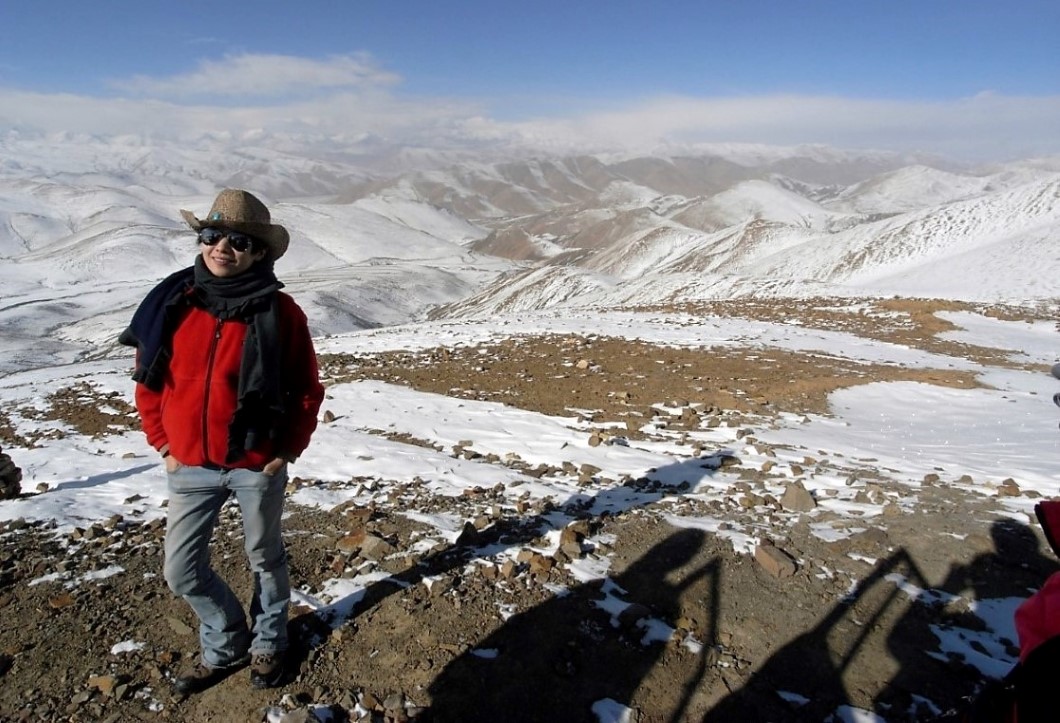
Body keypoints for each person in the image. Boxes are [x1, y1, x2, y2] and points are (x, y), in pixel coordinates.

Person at [119, 189, 324, 693]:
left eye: (238, 240)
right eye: (211, 236)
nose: (221, 248)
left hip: (256, 462)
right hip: (189, 464)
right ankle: (228, 639)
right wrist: (164, 444)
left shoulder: (281, 312)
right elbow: (148, 380)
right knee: (181, 571)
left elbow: (306, 387)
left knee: (265, 557)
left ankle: (269, 643)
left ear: (259, 253)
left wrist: (285, 452)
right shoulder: (174, 303)